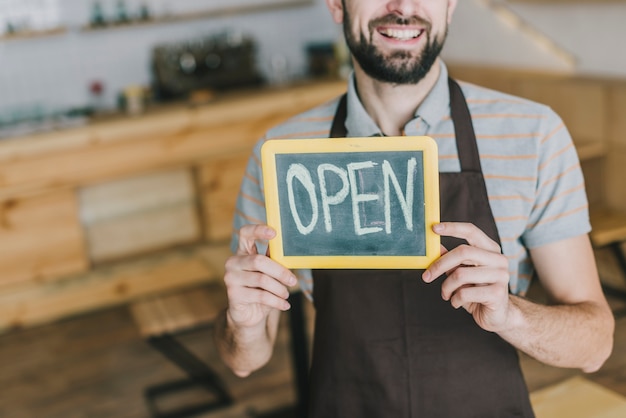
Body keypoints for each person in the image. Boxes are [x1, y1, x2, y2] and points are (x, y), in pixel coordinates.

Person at [214, 0, 615, 416]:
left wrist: (510, 315)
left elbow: (596, 345)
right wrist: (241, 321)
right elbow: (243, 361)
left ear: (450, 5)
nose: (403, 6)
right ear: (337, 4)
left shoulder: (533, 135)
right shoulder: (282, 154)